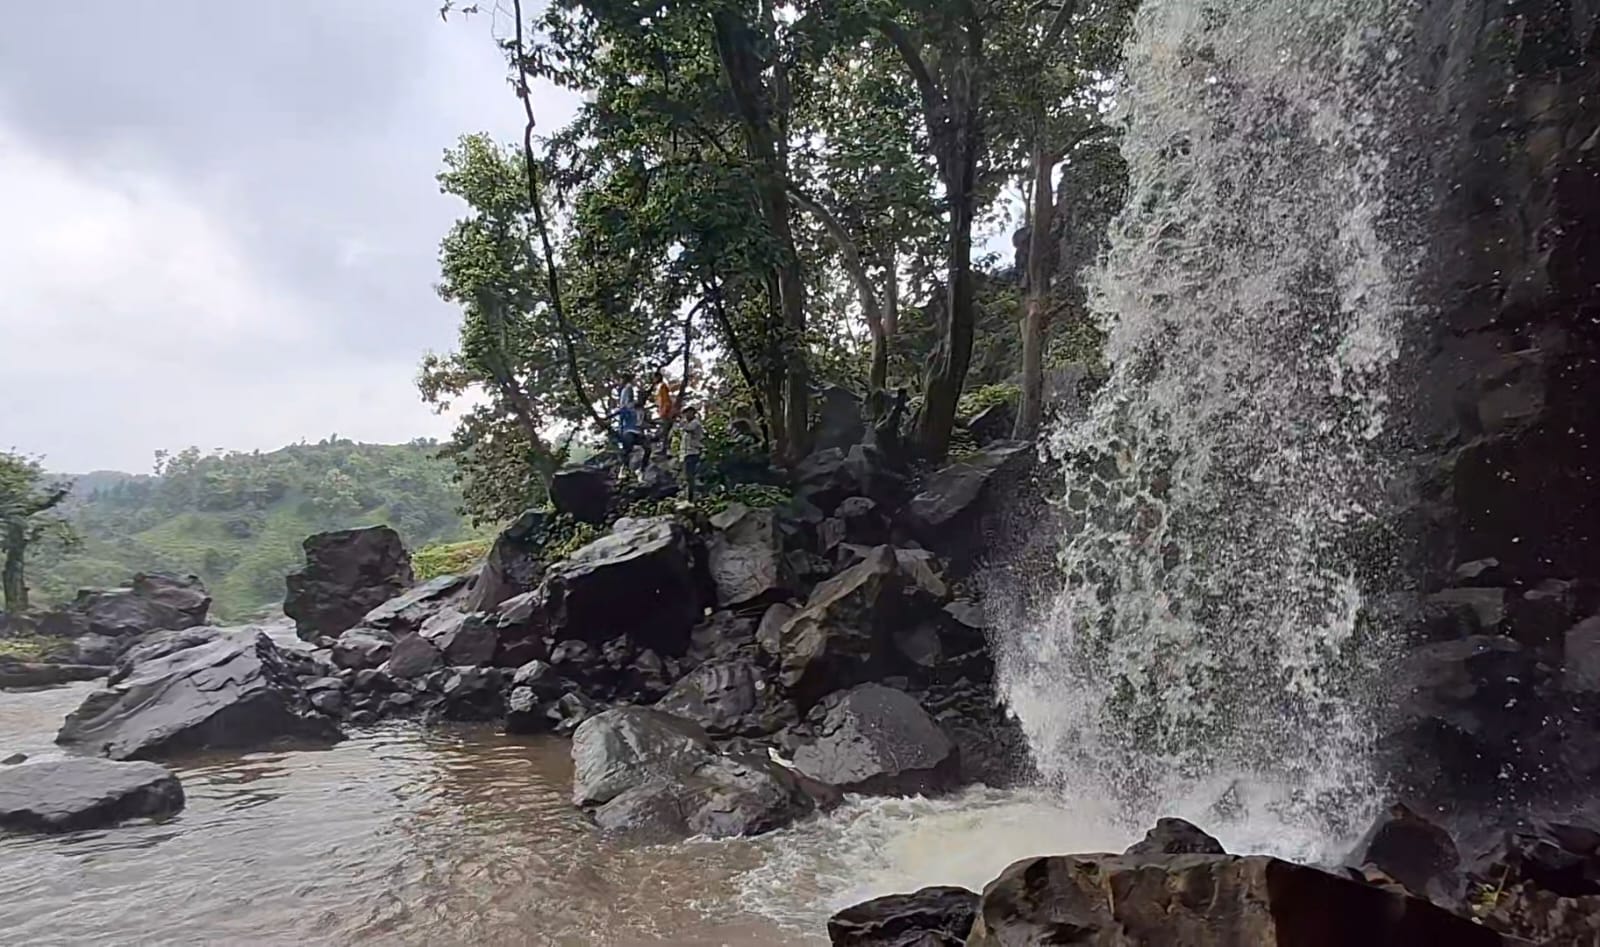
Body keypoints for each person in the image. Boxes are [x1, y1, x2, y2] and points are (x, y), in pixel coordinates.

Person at [676, 405, 705, 501]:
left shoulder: (695, 423)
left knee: (690, 476)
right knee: (687, 476)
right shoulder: (688, 424)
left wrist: (680, 421)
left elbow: (688, 428)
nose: (687, 415)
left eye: (688, 413)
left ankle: (691, 498)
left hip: (693, 452)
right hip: (686, 453)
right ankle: (688, 496)